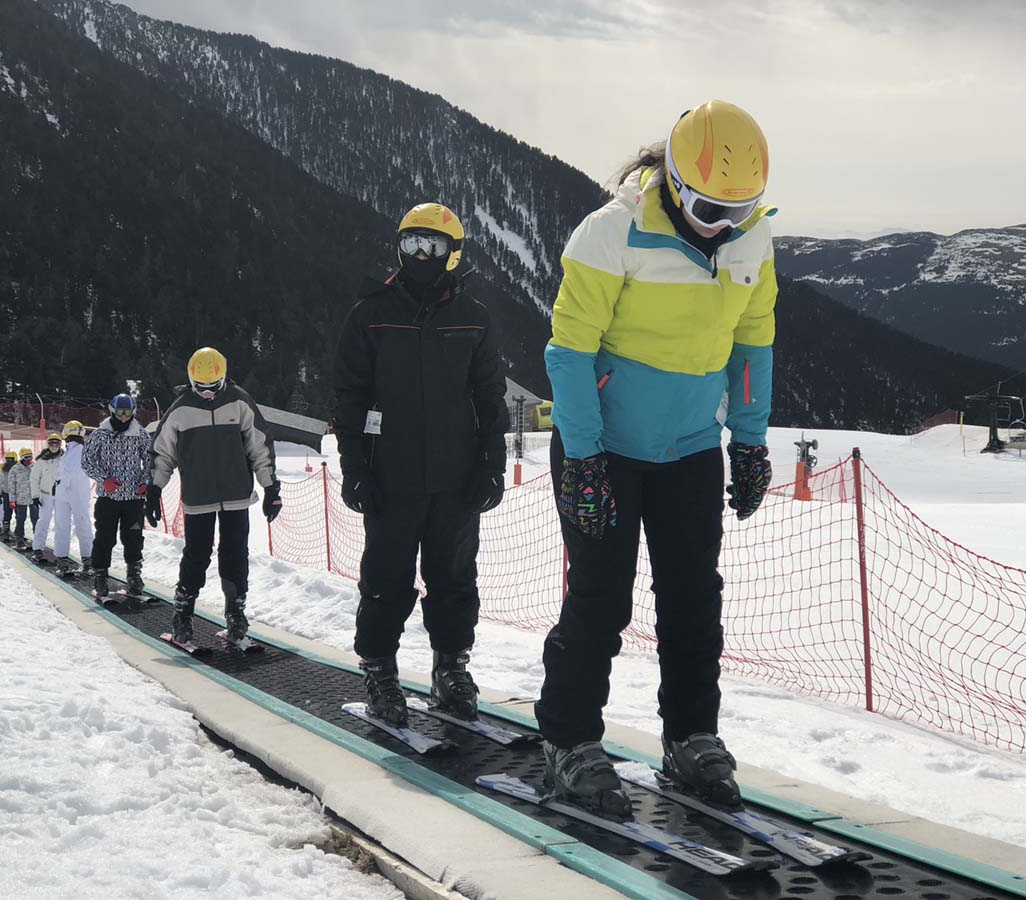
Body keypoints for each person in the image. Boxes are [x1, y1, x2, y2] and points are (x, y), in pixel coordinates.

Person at [535, 100, 777, 815]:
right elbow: (569, 351)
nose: (720, 225)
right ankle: (570, 739)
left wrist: (752, 439)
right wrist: (582, 458)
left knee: (694, 600)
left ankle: (690, 737)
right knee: (601, 598)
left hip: (691, 447)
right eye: (706, 206)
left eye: (741, 209)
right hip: (605, 447)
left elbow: (753, 344)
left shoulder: (751, 243)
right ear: (671, 179)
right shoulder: (611, 233)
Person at [333, 202, 508, 726]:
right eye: (411, 244)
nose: (421, 255)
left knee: (454, 578)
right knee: (386, 577)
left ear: (453, 254)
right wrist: (355, 469)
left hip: (456, 478)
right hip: (391, 475)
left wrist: (491, 463)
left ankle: (450, 667)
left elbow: (489, 395)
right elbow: (350, 397)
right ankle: (380, 668)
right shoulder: (371, 313)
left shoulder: (473, 318)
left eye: (432, 246)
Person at [146, 347, 280, 645]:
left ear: (223, 377)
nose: (207, 394)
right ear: (192, 381)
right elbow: (162, 453)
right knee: (197, 554)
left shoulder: (239, 402)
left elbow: (260, 445)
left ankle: (236, 615)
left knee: (235, 554)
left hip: (235, 494)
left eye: (213, 387)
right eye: (201, 387)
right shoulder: (180, 409)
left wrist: (271, 487)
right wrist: (154, 489)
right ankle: (183, 615)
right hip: (198, 496)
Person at [83, 393, 151, 598]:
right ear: (112, 411)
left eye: (128, 413)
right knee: (104, 537)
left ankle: (134, 576)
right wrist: (104, 479)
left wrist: (144, 481)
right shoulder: (100, 434)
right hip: (108, 498)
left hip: (133, 499)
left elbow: (150, 459)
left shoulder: (139, 434)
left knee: (134, 537)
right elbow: (86, 461)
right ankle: (101, 576)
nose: (124, 417)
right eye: (120, 413)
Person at [52, 420, 94, 577]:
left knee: (67, 525)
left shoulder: (79, 450)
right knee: (80, 524)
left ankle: (69, 559)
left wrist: (58, 482)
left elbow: (68, 472)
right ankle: (86, 558)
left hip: (71, 492)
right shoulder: (70, 451)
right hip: (74, 493)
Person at [30, 434, 65, 564]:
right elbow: (34, 478)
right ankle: (38, 548)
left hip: (61, 495)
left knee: (61, 523)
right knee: (43, 521)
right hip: (46, 494)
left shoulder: (65, 459)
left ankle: (60, 552)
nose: (54, 446)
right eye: (51, 444)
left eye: (56, 444)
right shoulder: (42, 460)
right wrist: (35, 496)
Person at [2, 447, 34, 550]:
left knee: (36, 519)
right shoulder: (15, 469)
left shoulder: (35, 467)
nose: (29, 459)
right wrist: (12, 499)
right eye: (26, 457)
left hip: (34, 498)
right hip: (20, 499)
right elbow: (11, 486)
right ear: (21, 458)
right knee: (20, 519)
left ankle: (37, 541)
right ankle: (19, 539)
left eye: (30, 457)